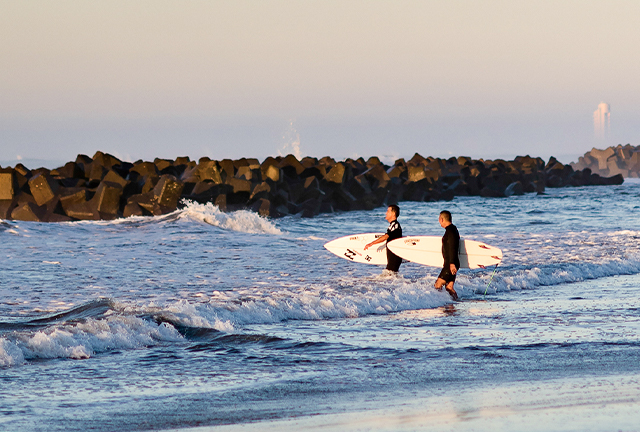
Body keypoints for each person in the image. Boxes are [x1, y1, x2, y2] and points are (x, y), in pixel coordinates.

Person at [364, 205, 403, 272]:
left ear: (393, 213)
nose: (386, 213)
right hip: (393, 257)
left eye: (388, 211)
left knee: (390, 275)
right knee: (390, 276)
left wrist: (371, 243)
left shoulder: (395, 225)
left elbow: (386, 236)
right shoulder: (393, 225)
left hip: (395, 257)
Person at [435, 210, 460, 300]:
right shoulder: (452, 229)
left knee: (437, 285)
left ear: (442, 219)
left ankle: (438, 302)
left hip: (450, 264)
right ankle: (456, 303)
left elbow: (453, 247)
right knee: (449, 287)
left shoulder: (451, 231)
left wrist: (452, 263)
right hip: (452, 263)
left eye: (439, 219)